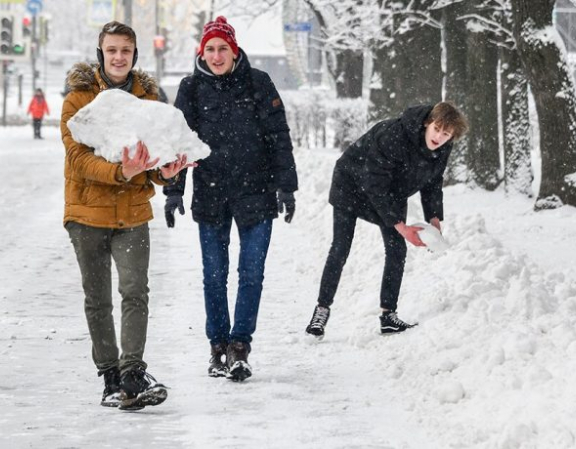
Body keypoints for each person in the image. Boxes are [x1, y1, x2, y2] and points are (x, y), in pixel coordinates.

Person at [61, 21, 192, 410]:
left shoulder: (148, 98)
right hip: (86, 214)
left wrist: (163, 173)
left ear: (135, 55)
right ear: (101, 53)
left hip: (133, 212)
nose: (119, 57)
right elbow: (79, 158)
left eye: (126, 51)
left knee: (135, 292)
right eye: (112, 50)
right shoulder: (78, 100)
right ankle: (109, 376)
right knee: (97, 298)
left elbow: (154, 155)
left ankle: (133, 371)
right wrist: (122, 171)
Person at [164, 16, 298, 382]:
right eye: (210, 49)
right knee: (214, 275)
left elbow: (277, 136)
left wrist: (287, 186)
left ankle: (240, 347)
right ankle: (217, 348)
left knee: (251, 274)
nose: (217, 55)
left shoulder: (258, 83)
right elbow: (178, 142)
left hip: (256, 193)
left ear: (234, 50)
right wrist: (174, 190)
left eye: (223, 48)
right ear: (201, 52)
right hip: (211, 194)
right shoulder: (190, 89)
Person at [304, 102, 468, 339]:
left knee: (396, 250)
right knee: (341, 246)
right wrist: (400, 226)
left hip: (392, 190)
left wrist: (434, 220)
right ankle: (321, 311)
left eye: (446, 134)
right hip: (351, 183)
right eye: (437, 129)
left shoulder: (443, 148)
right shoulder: (396, 135)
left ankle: (388, 316)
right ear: (427, 123)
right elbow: (375, 182)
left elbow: (433, 182)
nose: (439, 137)